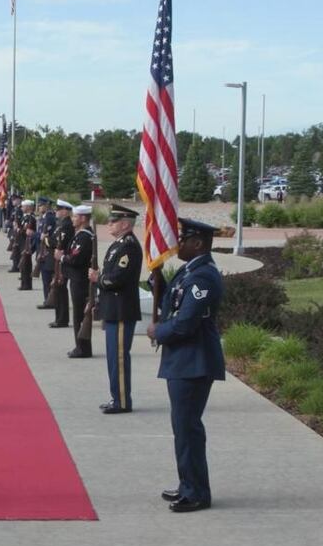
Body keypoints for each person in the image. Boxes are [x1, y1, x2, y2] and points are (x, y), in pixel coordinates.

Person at [147, 218, 226, 513]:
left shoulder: (203, 276)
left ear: (198, 244)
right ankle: (187, 484)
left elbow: (186, 323)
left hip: (194, 361)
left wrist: (159, 332)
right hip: (183, 360)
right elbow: (174, 300)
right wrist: (157, 277)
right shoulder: (190, 270)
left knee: (187, 427)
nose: (177, 244)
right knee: (182, 427)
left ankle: (196, 493)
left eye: (183, 239)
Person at [88, 204, 143, 414]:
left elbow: (118, 279)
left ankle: (121, 401)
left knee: (119, 357)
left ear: (125, 224)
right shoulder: (117, 245)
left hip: (122, 309)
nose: (109, 224)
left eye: (113, 221)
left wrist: (98, 279)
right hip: (113, 308)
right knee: (113, 357)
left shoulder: (128, 247)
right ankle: (116, 397)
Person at [58, 204, 94, 358]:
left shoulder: (85, 237)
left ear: (83, 218)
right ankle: (80, 346)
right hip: (76, 278)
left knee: (80, 315)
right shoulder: (80, 235)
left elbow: (75, 258)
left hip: (80, 280)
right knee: (78, 314)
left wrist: (62, 257)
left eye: (75, 217)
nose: (72, 219)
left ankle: (83, 348)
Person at [47, 200, 74, 323]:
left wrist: (46, 241)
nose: (56, 211)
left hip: (63, 261)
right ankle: (59, 318)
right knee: (58, 289)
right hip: (58, 260)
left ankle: (62, 319)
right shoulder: (62, 224)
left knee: (61, 289)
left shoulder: (67, 225)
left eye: (58, 209)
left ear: (65, 211)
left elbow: (57, 242)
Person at [16, 199, 38, 290]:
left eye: (24, 206)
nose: (22, 208)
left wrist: (20, 230)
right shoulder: (25, 217)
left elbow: (30, 231)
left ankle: (27, 284)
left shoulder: (31, 218)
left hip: (27, 243)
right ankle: (24, 283)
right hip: (22, 243)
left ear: (29, 207)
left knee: (26, 265)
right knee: (23, 264)